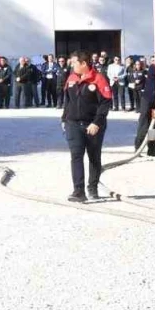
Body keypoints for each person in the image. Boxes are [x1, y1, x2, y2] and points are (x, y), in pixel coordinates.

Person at [61, 50, 113, 202]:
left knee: (93, 157)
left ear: (84, 63)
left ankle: (93, 187)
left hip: (93, 125)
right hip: (73, 124)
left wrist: (97, 122)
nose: (72, 65)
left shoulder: (98, 78)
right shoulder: (71, 78)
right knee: (76, 156)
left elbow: (105, 103)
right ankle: (78, 191)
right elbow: (67, 101)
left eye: (74, 62)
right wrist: (64, 119)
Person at [133, 54, 155, 156]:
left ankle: (152, 149)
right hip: (147, 100)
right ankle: (138, 148)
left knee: (153, 124)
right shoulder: (153, 68)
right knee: (144, 124)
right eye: (154, 59)